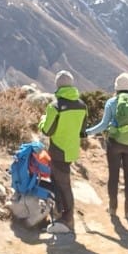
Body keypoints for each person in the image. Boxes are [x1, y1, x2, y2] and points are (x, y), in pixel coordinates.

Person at [86, 72, 128, 221]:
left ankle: (112, 208)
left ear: (116, 87)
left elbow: (104, 124)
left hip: (115, 144)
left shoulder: (112, 102)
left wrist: (87, 132)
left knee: (114, 176)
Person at [38, 70, 88, 236]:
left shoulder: (55, 106)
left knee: (63, 184)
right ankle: (61, 214)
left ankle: (67, 219)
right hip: (72, 150)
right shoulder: (82, 105)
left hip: (58, 150)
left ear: (58, 85)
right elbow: (82, 130)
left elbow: (47, 130)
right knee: (60, 182)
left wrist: (42, 119)